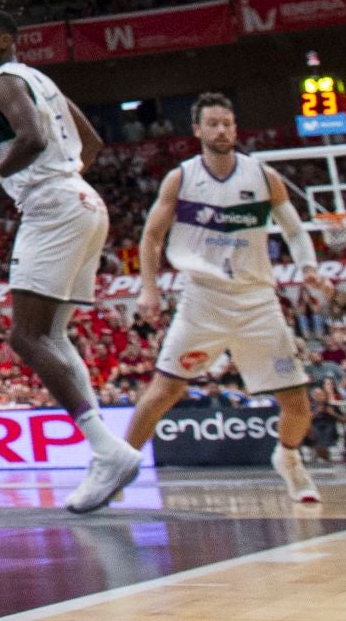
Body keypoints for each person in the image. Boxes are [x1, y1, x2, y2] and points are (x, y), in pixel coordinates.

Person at [0, 8, 139, 513]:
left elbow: (33, 138)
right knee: (54, 335)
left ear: (7, 40)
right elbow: (95, 142)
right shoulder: (42, 80)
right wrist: (66, 178)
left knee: (25, 335)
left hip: (55, 206)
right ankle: (105, 452)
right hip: (82, 201)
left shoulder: (3, 80)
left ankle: (107, 449)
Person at [121, 93, 323, 503]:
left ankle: (288, 460)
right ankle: (117, 469)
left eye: (227, 123)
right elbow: (152, 237)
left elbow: (295, 231)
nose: (221, 130)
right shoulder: (181, 178)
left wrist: (309, 269)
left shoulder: (263, 176)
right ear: (197, 130)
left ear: (235, 127)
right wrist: (148, 289)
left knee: (298, 404)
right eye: (212, 123)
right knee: (163, 392)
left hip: (257, 300)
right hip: (203, 299)